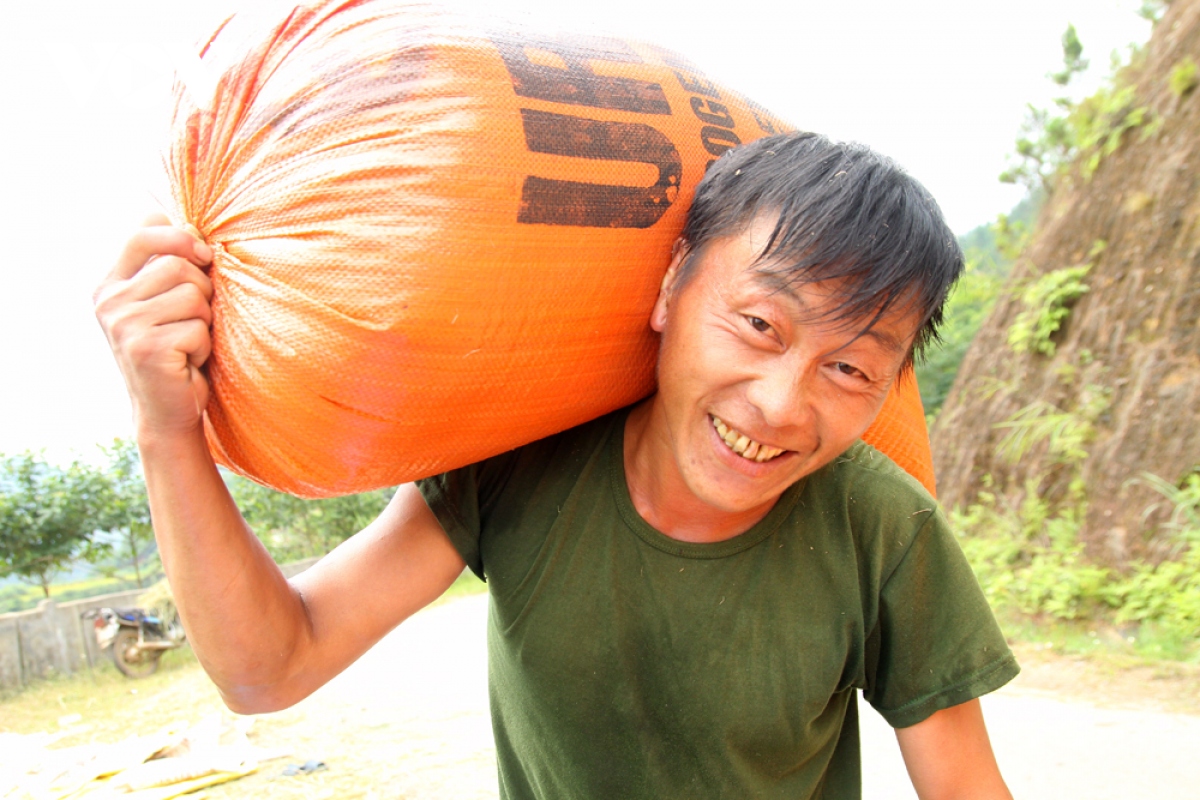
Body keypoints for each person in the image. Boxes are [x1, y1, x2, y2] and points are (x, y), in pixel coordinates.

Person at [95, 132, 1018, 799]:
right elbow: (271, 668)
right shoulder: (521, 464)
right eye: (759, 325)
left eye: (850, 368)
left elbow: (965, 784)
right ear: (672, 288)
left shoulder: (883, 529)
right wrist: (169, 433)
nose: (780, 405)